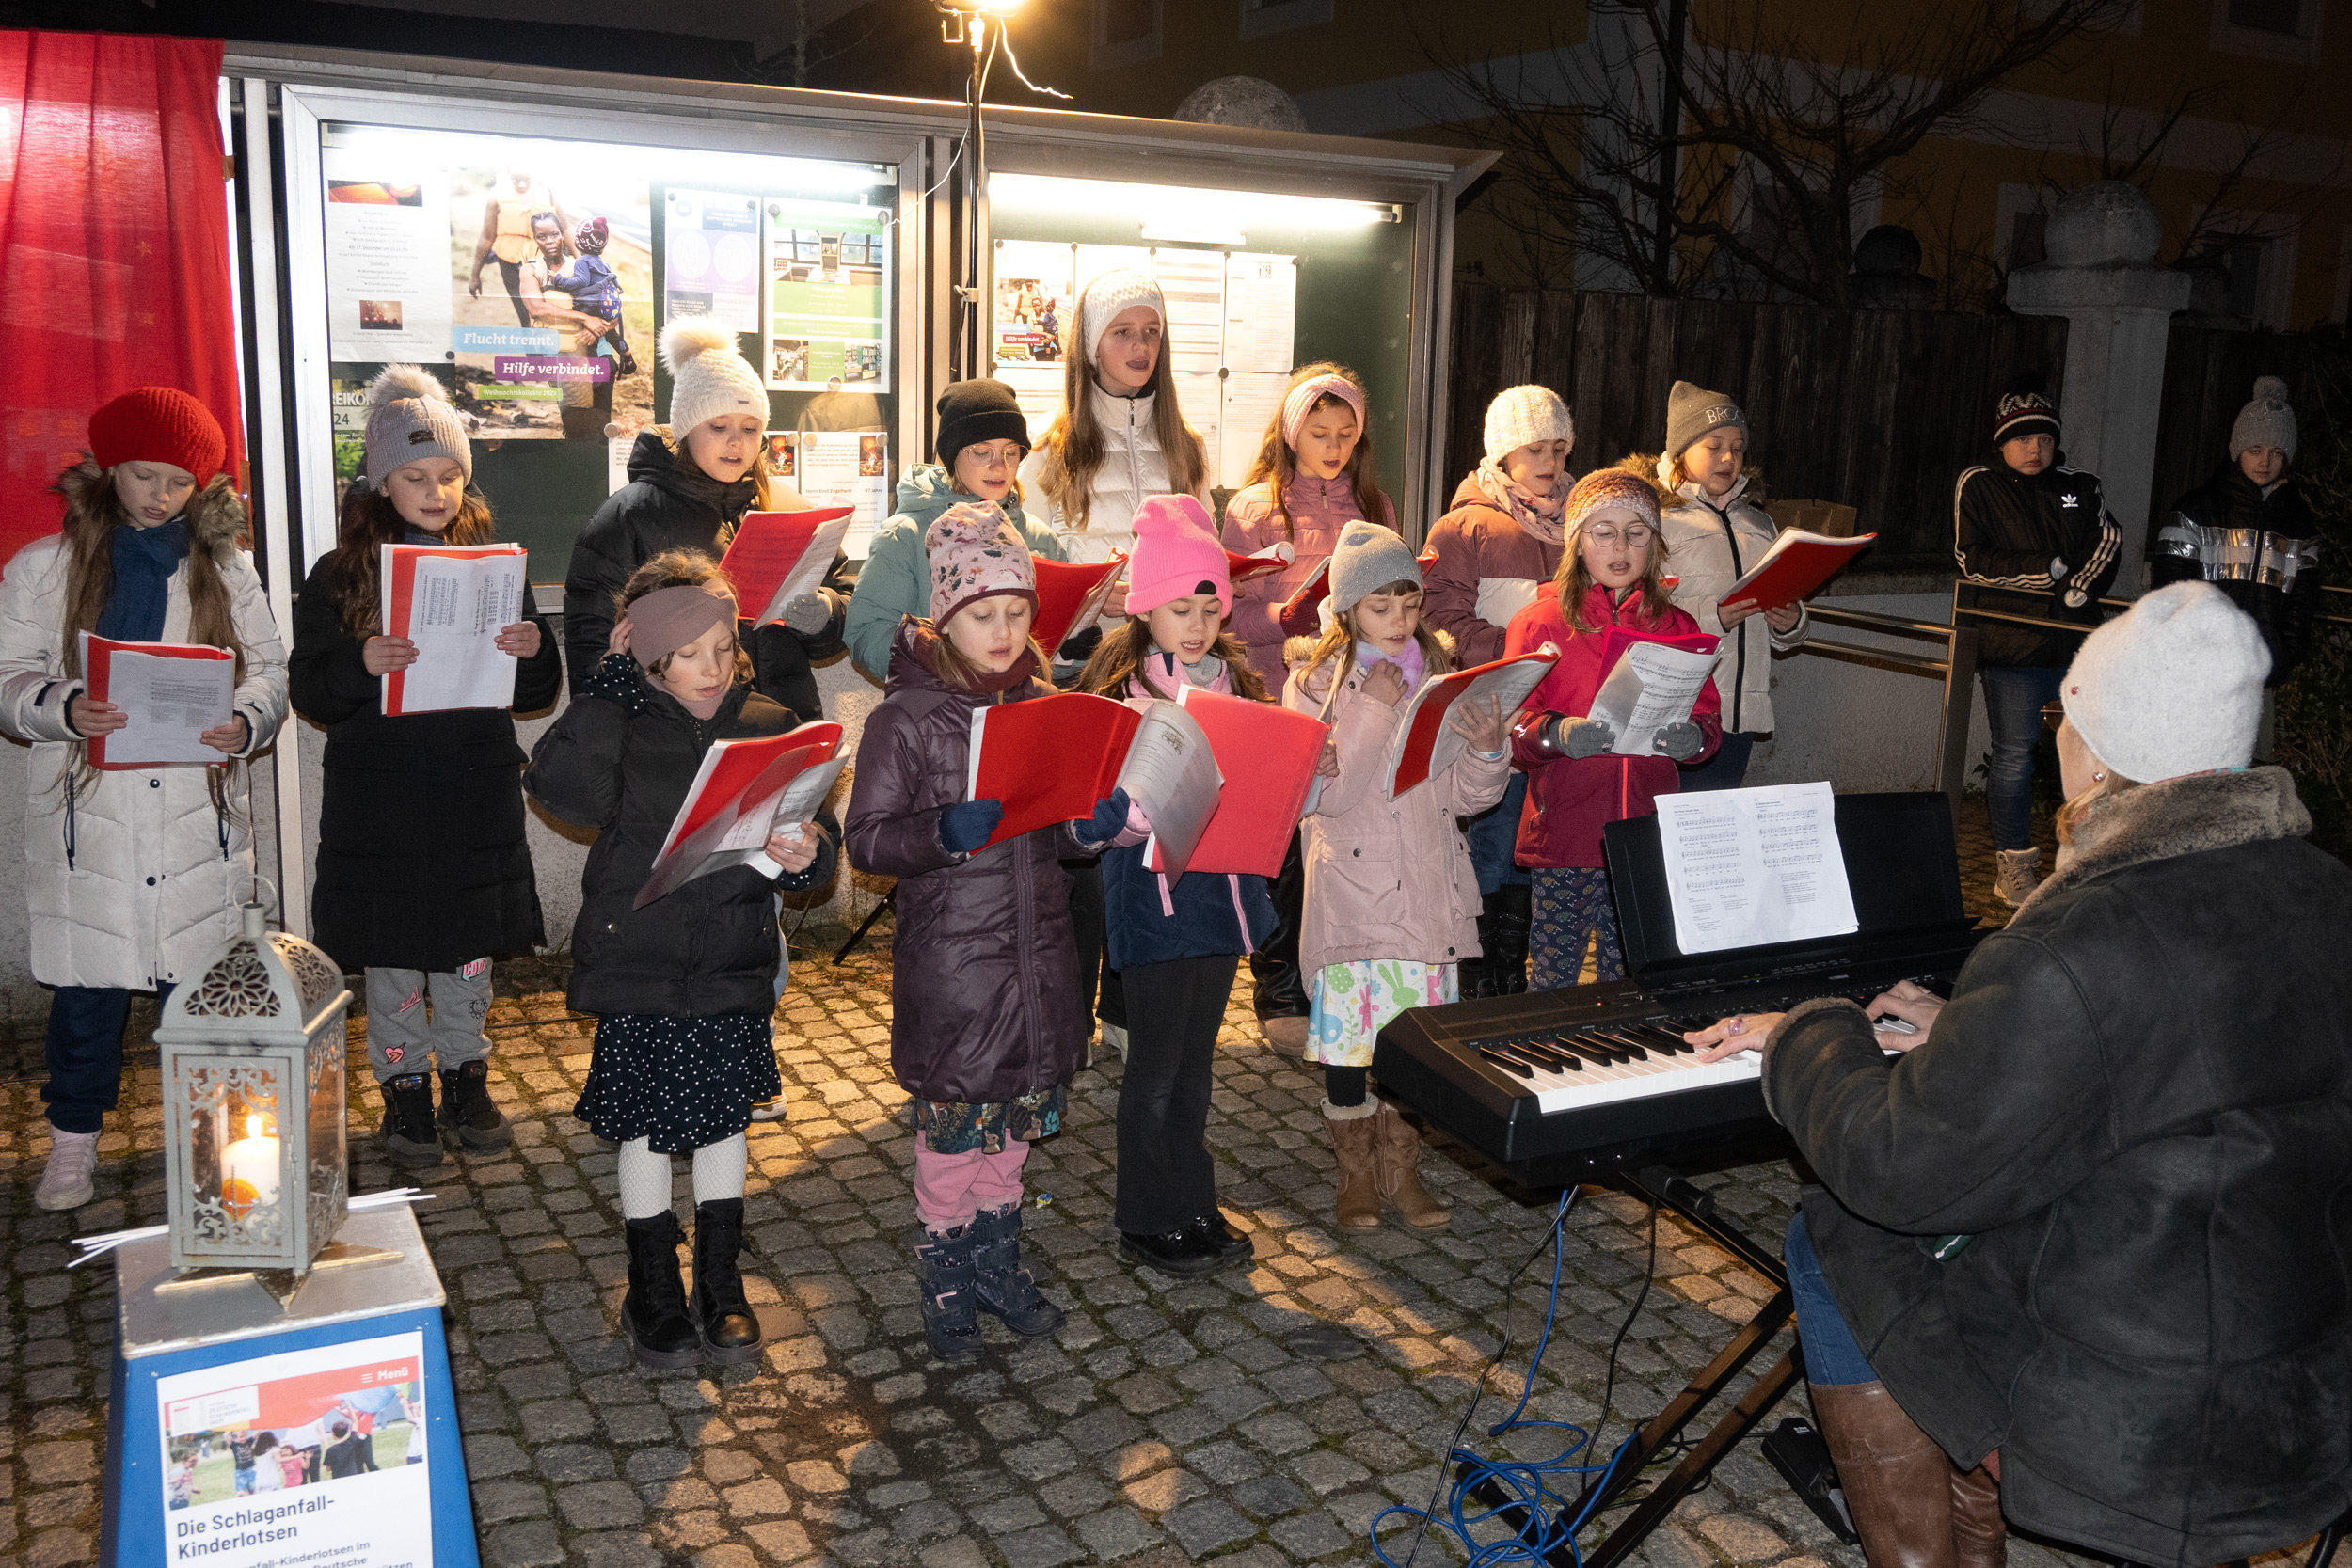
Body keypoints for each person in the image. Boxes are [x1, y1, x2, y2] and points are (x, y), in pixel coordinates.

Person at [1682, 581, 2352, 1568]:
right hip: (2303, 1378)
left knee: (1842, 1225)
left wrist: (1810, 1030)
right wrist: (1968, 1028)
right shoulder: (2325, 889)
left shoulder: (2076, 942)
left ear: (2099, 745)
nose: (2053, 741)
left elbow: (1898, 1167)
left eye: (2062, 717)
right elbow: (2184, 1062)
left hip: (2136, 1413)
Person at [525, 553, 837, 1370]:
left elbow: (813, 841)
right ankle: (653, 1285)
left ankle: (721, 1284)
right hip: (644, 962)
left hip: (731, 958)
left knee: (725, 1123)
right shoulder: (622, 719)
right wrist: (606, 687)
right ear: (649, 655)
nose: (712, 669)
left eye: (724, 648)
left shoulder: (766, 720)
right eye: (688, 653)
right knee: (645, 1132)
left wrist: (806, 851)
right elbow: (565, 793)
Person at [845, 507, 1129, 1360]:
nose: (1003, 632)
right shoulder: (906, 720)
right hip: (954, 968)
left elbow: (1059, 835)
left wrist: (1093, 827)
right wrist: (942, 834)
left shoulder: (1042, 705)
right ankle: (944, 1271)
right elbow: (866, 839)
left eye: (1017, 613)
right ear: (942, 616)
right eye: (982, 614)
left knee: (1010, 1130)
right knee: (953, 1136)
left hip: (1037, 959)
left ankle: (998, 1260)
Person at [0, 388, 290, 1212]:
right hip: (93, 822)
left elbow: (269, 669)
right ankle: (72, 1143)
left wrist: (246, 717)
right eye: (141, 475)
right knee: (85, 1003)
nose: (158, 495)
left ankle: (226, 1152)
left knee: (204, 1003)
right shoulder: (46, 568)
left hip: (197, 819)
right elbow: (6, 675)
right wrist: (59, 706)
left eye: (176, 481)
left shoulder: (225, 566)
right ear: (107, 471)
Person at [292, 366, 559, 1171]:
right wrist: (361, 659)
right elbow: (313, 688)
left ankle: (467, 1077)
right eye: (416, 477)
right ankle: (405, 1092)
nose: (436, 492)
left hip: (472, 789)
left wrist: (532, 651)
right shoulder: (339, 575)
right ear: (381, 483)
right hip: (381, 799)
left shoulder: (492, 564)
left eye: (449, 476)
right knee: (397, 950)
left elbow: (536, 692)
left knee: (468, 946)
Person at [1282, 521, 1508, 1231]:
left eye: (1409, 605)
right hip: (1357, 897)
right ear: (1348, 608)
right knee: (1352, 1047)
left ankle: (1402, 1172)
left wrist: (1487, 748)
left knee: (1414, 1052)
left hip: (1428, 891)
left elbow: (1470, 800)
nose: (1398, 622)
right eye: (1380, 607)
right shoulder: (1314, 684)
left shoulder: (1436, 678)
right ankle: (1355, 1176)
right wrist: (1374, 706)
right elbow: (1329, 796)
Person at [1078, 496, 1278, 1277]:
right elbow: (1101, 820)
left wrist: (1303, 772)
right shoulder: (1127, 699)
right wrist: (1130, 812)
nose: (1194, 624)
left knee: (1198, 1068)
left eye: (1207, 606)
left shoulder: (1240, 687)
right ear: (1144, 613)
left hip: (1221, 905)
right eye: (1176, 609)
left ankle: (1194, 1201)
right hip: (1157, 907)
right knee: (1155, 1069)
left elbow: (1262, 792)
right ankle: (1147, 1214)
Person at [1220, 364, 1398, 1050]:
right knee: (1281, 855)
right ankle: (1279, 990)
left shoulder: (1375, 504)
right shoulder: (1253, 507)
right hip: (1273, 694)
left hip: (1351, 700)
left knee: (1340, 841)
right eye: (1319, 433)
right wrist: (1287, 619)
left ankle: (1335, 976)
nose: (1332, 446)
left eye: (1346, 434)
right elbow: (1227, 612)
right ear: (1292, 433)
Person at [564, 319, 847, 721]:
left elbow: (841, 592)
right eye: (718, 427)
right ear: (684, 429)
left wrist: (825, 613)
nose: (736, 442)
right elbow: (593, 645)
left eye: (751, 429)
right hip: (673, 737)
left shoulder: (789, 508)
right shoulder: (627, 517)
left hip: (782, 722)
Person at [1504, 466, 1720, 988]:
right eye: (1603, 532)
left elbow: (1706, 716)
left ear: (1655, 545)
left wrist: (1694, 740)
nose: (1620, 546)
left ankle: (1625, 1054)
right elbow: (1511, 724)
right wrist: (1557, 733)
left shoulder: (1678, 626)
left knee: (1631, 971)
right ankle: (1546, 1054)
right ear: (1578, 543)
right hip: (1566, 833)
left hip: (1643, 833)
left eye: (1636, 532)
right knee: (1555, 972)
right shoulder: (1541, 623)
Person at [1422, 385, 1576, 998]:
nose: (1549, 463)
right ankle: (1479, 978)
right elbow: (1442, 625)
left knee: (1538, 854)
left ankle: (1513, 971)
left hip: (1558, 721)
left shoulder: (1582, 521)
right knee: (1492, 848)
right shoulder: (1464, 527)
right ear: (1503, 454)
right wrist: (1522, 647)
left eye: (1560, 449)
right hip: (1492, 719)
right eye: (1534, 448)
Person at [1953, 382, 2121, 905]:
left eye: (2044, 439)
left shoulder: (2081, 485)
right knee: (2013, 758)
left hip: (2077, 646)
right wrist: (2040, 573)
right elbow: (1970, 560)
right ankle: (2014, 866)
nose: (2034, 450)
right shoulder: (1978, 484)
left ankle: (2090, 859)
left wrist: (2077, 588)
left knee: (2096, 757)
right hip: (2013, 646)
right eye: (2022, 439)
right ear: (2002, 442)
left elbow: (2108, 540)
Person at [846, 378, 1067, 684]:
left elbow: (1053, 660)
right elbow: (866, 634)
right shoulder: (905, 535)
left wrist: (1075, 648)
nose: (999, 466)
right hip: (938, 711)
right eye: (981, 452)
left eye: (1011, 452)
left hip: (1015, 711)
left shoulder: (1041, 538)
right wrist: (948, 662)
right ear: (952, 455)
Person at [1017, 269, 1212, 607]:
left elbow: (1204, 549)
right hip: (1083, 653)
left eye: (1152, 331)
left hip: (1169, 650)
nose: (1141, 346)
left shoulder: (1186, 443)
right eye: (1122, 332)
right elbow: (1021, 567)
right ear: (1093, 345)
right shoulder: (1046, 443)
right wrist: (1085, 599)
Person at [2152, 374, 2322, 754]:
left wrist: (2283, 653)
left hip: (2258, 675)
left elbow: (2304, 597)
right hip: (2198, 676)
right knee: (2190, 770)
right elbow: (2169, 588)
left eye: (2277, 453)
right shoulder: (2196, 508)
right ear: (2237, 449)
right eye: (2255, 449)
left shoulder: (2298, 521)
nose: (2265, 461)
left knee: (2245, 777)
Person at [1652, 380, 1808, 791]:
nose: (1728, 457)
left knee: (1715, 827)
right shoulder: (1656, 521)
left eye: (1738, 448)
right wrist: (1712, 615)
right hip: (1682, 710)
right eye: (1713, 445)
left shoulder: (1758, 523)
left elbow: (1780, 630)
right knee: (1667, 828)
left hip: (1741, 712)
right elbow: (1640, 609)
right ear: (1680, 452)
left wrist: (1790, 622)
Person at [467, 170, 572, 328]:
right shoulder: (496, 194)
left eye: (526, 180)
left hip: (547, 265)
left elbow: (566, 229)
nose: (521, 185)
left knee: (551, 317)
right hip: (511, 266)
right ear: (508, 174)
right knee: (527, 319)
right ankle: (533, 353)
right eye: (516, 180)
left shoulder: (547, 191)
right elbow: (487, 237)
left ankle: (552, 352)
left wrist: (585, 262)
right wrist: (475, 275)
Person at [548, 214, 637, 376]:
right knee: (611, 333)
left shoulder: (582, 261)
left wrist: (559, 279)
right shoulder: (603, 262)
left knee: (587, 332)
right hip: (607, 304)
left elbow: (581, 282)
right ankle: (627, 356)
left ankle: (590, 366)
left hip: (592, 306)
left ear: (579, 242)